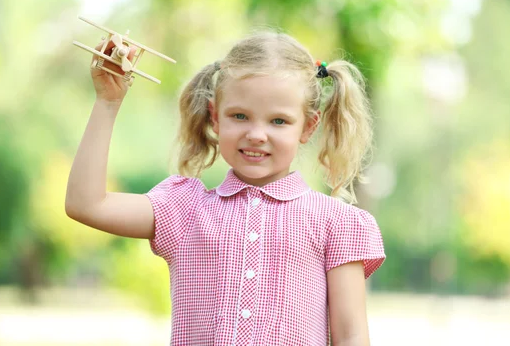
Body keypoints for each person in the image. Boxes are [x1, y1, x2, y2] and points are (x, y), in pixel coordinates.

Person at [65, 31, 385, 345]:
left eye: (278, 121)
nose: (257, 134)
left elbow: (351, 335)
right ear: (215, 119)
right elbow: (87, 205)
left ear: (308, 126)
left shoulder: (337, 224)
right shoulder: (184, 209)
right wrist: (108, 102)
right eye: (240, 116)